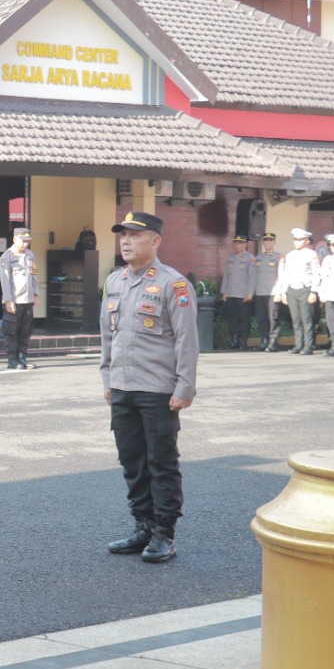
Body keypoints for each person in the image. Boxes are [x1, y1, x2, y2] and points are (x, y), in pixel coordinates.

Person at [100, 211, 198, 564]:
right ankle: (142, 525)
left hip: (158, 390)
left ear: (155, 241)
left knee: (161, 462)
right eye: (122, 235)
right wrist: (107, 378)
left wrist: (185, 386)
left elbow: (187, 340)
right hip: (123, 387)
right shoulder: (115, 281)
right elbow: (108, 336)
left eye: (134, 235)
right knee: (132, 461)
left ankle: (164, 533)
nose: (125, 241)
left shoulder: (174, 284)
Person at [0, 228, 39, 369]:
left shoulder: (30, 255)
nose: (26, 244)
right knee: (11, 330)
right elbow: (5, 280)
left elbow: (33, 275)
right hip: (14, 300)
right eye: (23, 241)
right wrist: (8, 300)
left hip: (27, 299)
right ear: (15, 239)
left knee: (25, 330)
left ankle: (22, 356)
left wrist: (36, 294)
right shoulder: (6, 257)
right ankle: (12, 359)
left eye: (28, 241)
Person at [278, 228, 320, 354]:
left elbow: (316, 273)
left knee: (306, 319)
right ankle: (298, 344)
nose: (296, 242)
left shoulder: (311, 254)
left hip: (305, 289)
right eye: (295, 239)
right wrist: (283, 292)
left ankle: (308, 346)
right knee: (296, 319)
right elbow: (286, 274)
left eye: (299, 239)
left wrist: (314, 291)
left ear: (306, 241)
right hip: (292, 289)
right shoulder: (290, 255)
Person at [221, 235, 256, 351]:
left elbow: (252, 277)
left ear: (245, 244)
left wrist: (250, 293)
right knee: (232, 318)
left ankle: (243, 341)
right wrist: (224, 291)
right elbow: (226, 275)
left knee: (243, 318)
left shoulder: (249, 258)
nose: (237, 245)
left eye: (240, 243)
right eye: (235, 243)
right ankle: (234, 340)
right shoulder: (230, 257)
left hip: (243, 294)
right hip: (231, 293)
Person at [254, 232, 281, 351]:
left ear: (274, 242)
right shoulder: (259, 257)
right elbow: (254, 276)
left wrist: (280, 292)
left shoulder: (279, 257)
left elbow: (282, 276)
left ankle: (273, 341)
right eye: (266, 240)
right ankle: (264, 339)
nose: (268, 242)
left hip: (272, 293)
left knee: (273, 318)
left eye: (270, 240)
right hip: (260, 292)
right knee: (261, 317)